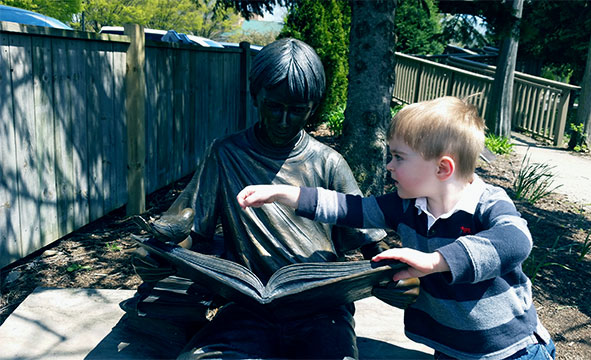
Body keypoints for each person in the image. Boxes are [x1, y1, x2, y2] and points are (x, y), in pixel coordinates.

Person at [130, 38, 400, 359]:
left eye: (297, 111)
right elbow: (191, 231)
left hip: (321, 311)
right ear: (255, 96)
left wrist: (396, 275)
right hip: (246, 306)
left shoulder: (328, 163)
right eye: (274, 106)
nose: (283, 121)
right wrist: (156, 256)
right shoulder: (225, 155)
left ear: (312, 107)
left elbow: (371, 240)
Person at [237, 96, 556, 360]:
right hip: (452, 349)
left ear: (442, 168)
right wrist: (281, 193)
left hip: (513, 350)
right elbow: (348, 208)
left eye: (399, 157)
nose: (389, 166)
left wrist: (435, 262)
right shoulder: (406, 205)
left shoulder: (485, 203)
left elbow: (516, 239)